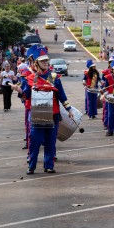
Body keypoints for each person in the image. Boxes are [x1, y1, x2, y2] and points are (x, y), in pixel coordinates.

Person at [11, 46, 74, 175]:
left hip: (53, 114)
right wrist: (20, 91)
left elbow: (61, 95)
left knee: (51, 142)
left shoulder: (54, 77)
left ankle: (49, 165)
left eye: (46, 61)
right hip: (37, 114)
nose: (45, 63)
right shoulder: (30, 78)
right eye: (43, 61)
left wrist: (69, 109)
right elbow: (26, 96)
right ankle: (32, 166)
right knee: (35, 141)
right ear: (36, 63)